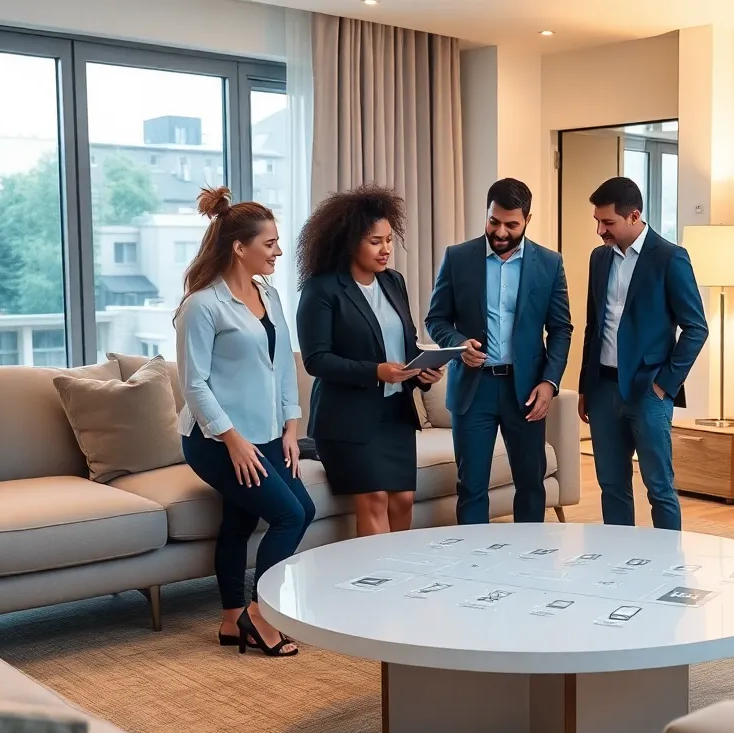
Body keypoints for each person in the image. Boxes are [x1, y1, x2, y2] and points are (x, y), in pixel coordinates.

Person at [176, 186, 315, 658]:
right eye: (270, 243)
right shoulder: (202, 306)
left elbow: (281, 366)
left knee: (242, 519)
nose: (278, 251)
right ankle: (260, 614)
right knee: (291, 513)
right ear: (240, 247)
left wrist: (292, 428)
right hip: (216, 440)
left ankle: (231, 620)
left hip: (268, 432)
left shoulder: (269, 295)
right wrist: (232, 441)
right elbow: (194, 385)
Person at [295, 185, 442, 537]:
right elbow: (317, 360)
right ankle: (376, 584)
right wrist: (377, 372)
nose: (386, 249)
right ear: (350, 242)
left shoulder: (394, 282)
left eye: (389, 240)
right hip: (348, 420)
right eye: (376, 241)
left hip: (395, 416)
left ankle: (396, 573)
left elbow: (403, 345)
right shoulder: (321, 289)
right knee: (375, 498)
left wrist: (422, 372)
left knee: (404, 499)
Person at [426, 178, 572, 525]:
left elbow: (561, 329)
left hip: (525, 392)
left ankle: (526, 565)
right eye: (494, 222)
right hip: (472, 390)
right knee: (472, 486)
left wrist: (550, 383)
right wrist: (458, 344)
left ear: (527, 220)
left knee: (531, 485)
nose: (501, 231)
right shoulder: (458, 257)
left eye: (511, 224)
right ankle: (474, 569)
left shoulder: (549, 264)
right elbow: (436, 318)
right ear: (487, 214)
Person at [578, 177, 708, 531]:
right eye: (597, 221)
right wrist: (585, 387)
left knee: (659, 486)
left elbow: (696, 328)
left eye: (608, 223)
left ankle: (667, 567)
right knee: (611, 485)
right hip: (603, 387)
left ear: (634, 216)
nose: (600, 230)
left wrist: (664, 385)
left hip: (649, 389)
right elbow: (594, 325)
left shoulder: (670, 257)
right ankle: (620, 567)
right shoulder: (599, 259)